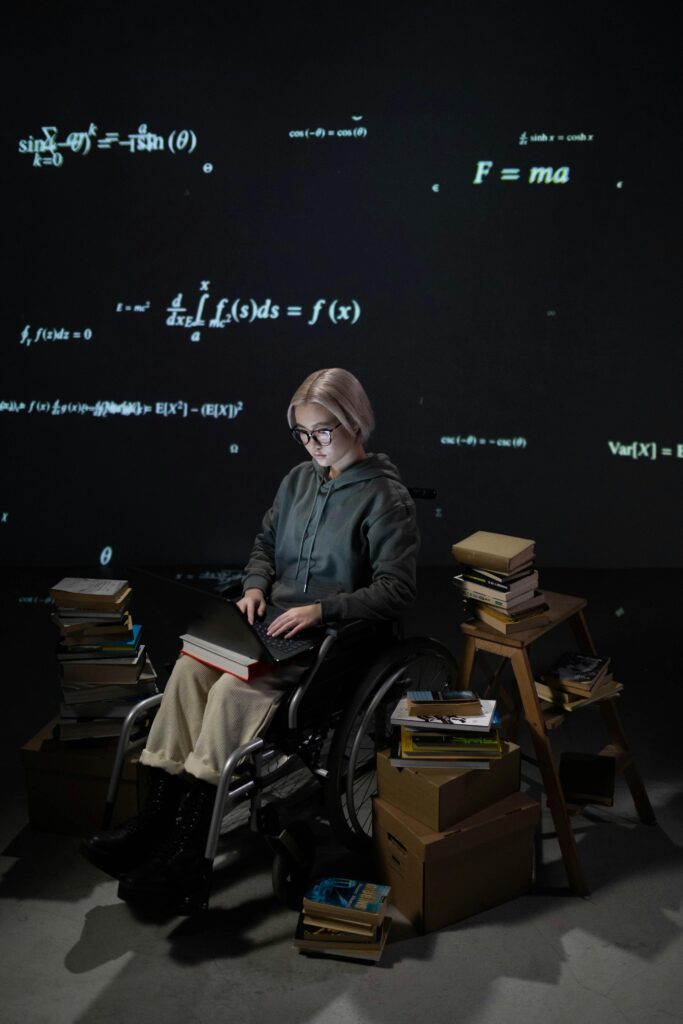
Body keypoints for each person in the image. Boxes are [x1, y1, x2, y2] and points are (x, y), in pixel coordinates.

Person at [81, 367, 419, 911]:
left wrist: (321, 609)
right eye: (302, 433)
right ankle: (155, 824)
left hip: (328, 640)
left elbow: (396, 590)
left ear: (355, 422)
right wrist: (256, 587)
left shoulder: (385, 498)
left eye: (323, 431)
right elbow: (263, 545)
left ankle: (190, 851)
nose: (313, 445)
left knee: (231, 693)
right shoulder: (297, 481)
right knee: (190, 670)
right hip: (268, 625)